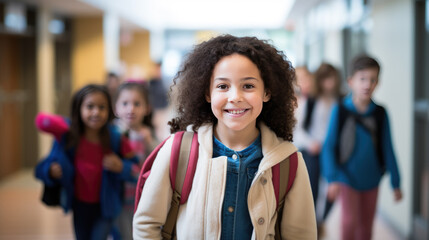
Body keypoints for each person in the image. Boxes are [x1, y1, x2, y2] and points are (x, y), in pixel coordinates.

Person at [133, 35, 317, 239]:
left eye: (248, 86)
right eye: (222, 86)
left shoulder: (288, 161)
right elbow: (146, 225)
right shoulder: (178, 150)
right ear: (207, 93)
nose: (235, 97)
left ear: (267, 92)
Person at [34, 84, 138, 240]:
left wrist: (121, 167)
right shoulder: (67, 138)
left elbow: (136, 170)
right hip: (79, 206)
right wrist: (49, 170)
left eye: (102, 107)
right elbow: (39, 169)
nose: (96, 112)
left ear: (109, 110)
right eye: (90, 106)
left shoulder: (116, 138)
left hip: (106, 207)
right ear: (79, 109)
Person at [321, 55, 403, 240]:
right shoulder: (340, 110)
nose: (367, 84)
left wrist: (396, 182)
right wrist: (332, 177)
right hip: (346, 177)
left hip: (372, 178)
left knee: (366, 227)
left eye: (372, 79)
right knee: (349, 223)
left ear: (378, 83)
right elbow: (329, 146)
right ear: (351, 82)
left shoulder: (380, 113)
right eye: (362, 79)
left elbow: (388, 147)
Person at [113, 81, 158, 240]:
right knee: (122, 233)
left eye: (137, 104)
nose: (131, 109)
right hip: (118, 195)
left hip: (141, 196)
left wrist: (149, 141)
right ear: (116, 108)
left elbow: (158, 161)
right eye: (125, 103)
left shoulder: (147, 134)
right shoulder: (113, 133)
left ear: (147, 108)